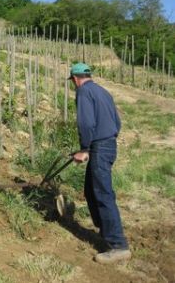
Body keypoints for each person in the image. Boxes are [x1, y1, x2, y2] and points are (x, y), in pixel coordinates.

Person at [69, 62, 131, 264]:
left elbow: (86, 122)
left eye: (72, 81)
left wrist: (85, 148)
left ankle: (118, 245)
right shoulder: (103, 91)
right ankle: (106, 231)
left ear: (76, 79)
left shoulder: (84, 92)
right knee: (90, 190)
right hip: (109, 144)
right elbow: (117, 122)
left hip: (99, 147)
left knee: (103, 194)